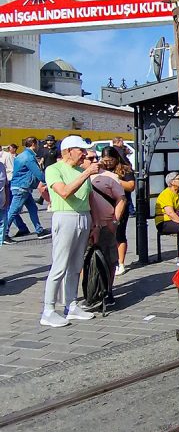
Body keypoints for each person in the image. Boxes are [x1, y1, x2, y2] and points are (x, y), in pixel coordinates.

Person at [40, 135, 99, 327]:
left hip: (83, 216)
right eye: (80, 150)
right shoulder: (54, 169)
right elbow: (64, 192)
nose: (83, 154)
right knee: (60, 265)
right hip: (65, 216)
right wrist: (86, 173)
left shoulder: (79, 170)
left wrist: (94, 223)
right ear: (68, 151)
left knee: (75, 265)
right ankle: (48, 310)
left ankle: (71, 304)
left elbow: (90, 197)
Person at [84, 150, 125, 305]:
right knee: (85, 260)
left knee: (109, 259)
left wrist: (114, 221)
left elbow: (121, 199)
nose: (95, 160)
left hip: (106, 224)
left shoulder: (110, 177)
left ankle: (107, 291)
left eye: (96, 157)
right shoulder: (76, 175)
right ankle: (90, 291)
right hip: (84, 225)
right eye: (90, 158)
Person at [99, 147, 135, 276]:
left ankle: (120, 263)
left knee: (119, 234)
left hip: (120, 205)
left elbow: (131, 186)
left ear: (116, 158)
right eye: (105, 160)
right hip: (102, 205)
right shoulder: (99, 169)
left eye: (111, 160)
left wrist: (114, 179)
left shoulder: (125, 169)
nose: (108, 163)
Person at [5, 136, 47, 242]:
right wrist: (47, 180)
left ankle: (39, 231)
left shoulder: (22, 155)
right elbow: (37, 172)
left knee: (33, 208)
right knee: (13, 211)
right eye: (37, 144)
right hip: (22, 187)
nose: (38, 146)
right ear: (33, 144)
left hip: (23, 187)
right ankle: (4, 234)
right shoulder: (28, 157)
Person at [155, 172, 179, 266]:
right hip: (164, 222)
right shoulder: (166, 194)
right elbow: (170, 213)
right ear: (172, 182)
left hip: (173, 219)